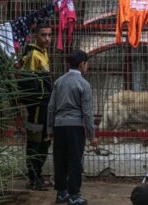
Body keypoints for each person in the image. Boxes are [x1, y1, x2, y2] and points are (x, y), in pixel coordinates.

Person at [47, 49, 98, 205]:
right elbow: (87, 114)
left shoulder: (59, 82)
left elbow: (51, 107)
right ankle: (74, 195)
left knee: (60, 159)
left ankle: (61, 193)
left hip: (59, 126)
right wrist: (92, 136)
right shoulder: (84, 84)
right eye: (87, 63)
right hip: (75, 127)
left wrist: (50, 129)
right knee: (75, 161)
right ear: (82, 64)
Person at [19, 22, 53, 191]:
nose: (47, 38)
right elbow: (29, 81)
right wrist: (38, 100)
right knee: (35, 140)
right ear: (36, 36)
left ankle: (38, 175)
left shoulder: (43, 52)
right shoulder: (33, 54)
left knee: (45, 140)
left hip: (45, 105)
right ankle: (33, 178)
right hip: (38, 106)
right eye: (43, 35)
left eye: (49, 35)